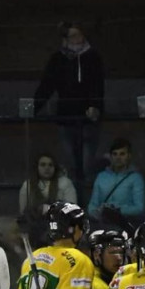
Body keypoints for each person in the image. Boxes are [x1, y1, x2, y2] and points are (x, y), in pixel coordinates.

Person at [33, 22, 106, 194]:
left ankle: (88, 201)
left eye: (79, 35)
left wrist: (95, 106)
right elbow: (47, 85)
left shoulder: (93, 57)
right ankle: (76, 202)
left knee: (87, 166)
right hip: (66, 118)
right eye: (73, 36)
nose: (77, 39)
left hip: (88, 120)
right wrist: (33, 107)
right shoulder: (57, 59)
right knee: (71, 165)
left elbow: (98, 85)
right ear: (65, 39)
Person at [86, 138, 145, 224]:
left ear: (129, 156)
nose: (118, 158)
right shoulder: (101, 176)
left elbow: (139, 208)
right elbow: (93, 204)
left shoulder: (135, 178)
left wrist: (117, 210)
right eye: (115, 154)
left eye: (122, 154)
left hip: (126, 223)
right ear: (110, 156)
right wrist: (96, 213)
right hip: (104, 224)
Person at [21, 153, 78, 219]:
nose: (47, 168)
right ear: (37, 167)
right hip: (34, 221)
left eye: (50, 165)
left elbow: (72, 209)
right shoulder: (27, 185)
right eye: (43, 165)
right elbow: (23, 211)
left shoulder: (65, 183)